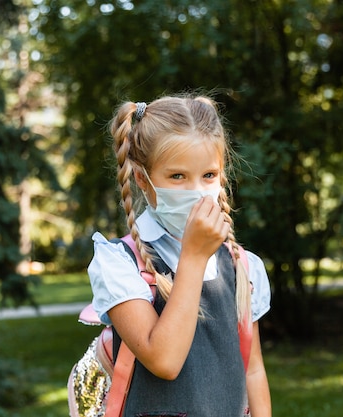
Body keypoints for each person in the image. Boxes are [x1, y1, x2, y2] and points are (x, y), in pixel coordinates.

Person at [87, 93, 272, 417]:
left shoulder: (243, 267)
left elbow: (253, 370)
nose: (198, 191)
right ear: (144, 180)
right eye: (177, 177)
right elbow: (165, 361)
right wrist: (194, 258)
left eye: (208, 175)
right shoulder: (119, 262)